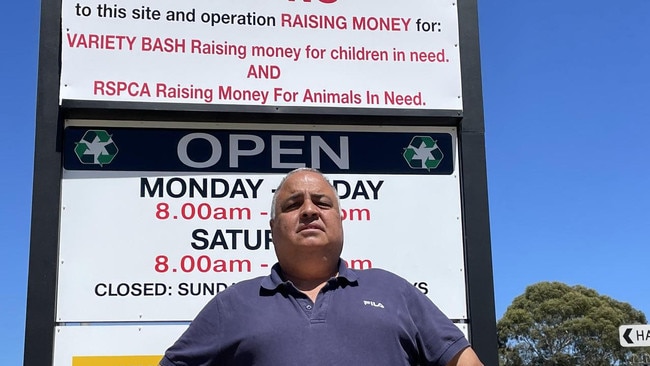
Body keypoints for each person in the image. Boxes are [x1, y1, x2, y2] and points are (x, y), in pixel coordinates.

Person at [160, 168, 484, 366]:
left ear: (340, 221)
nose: (309, 211)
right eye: (293, 204)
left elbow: (464, 362)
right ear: (273, 228)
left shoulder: (394, 291)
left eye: (322, 202)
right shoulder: (231, 306)